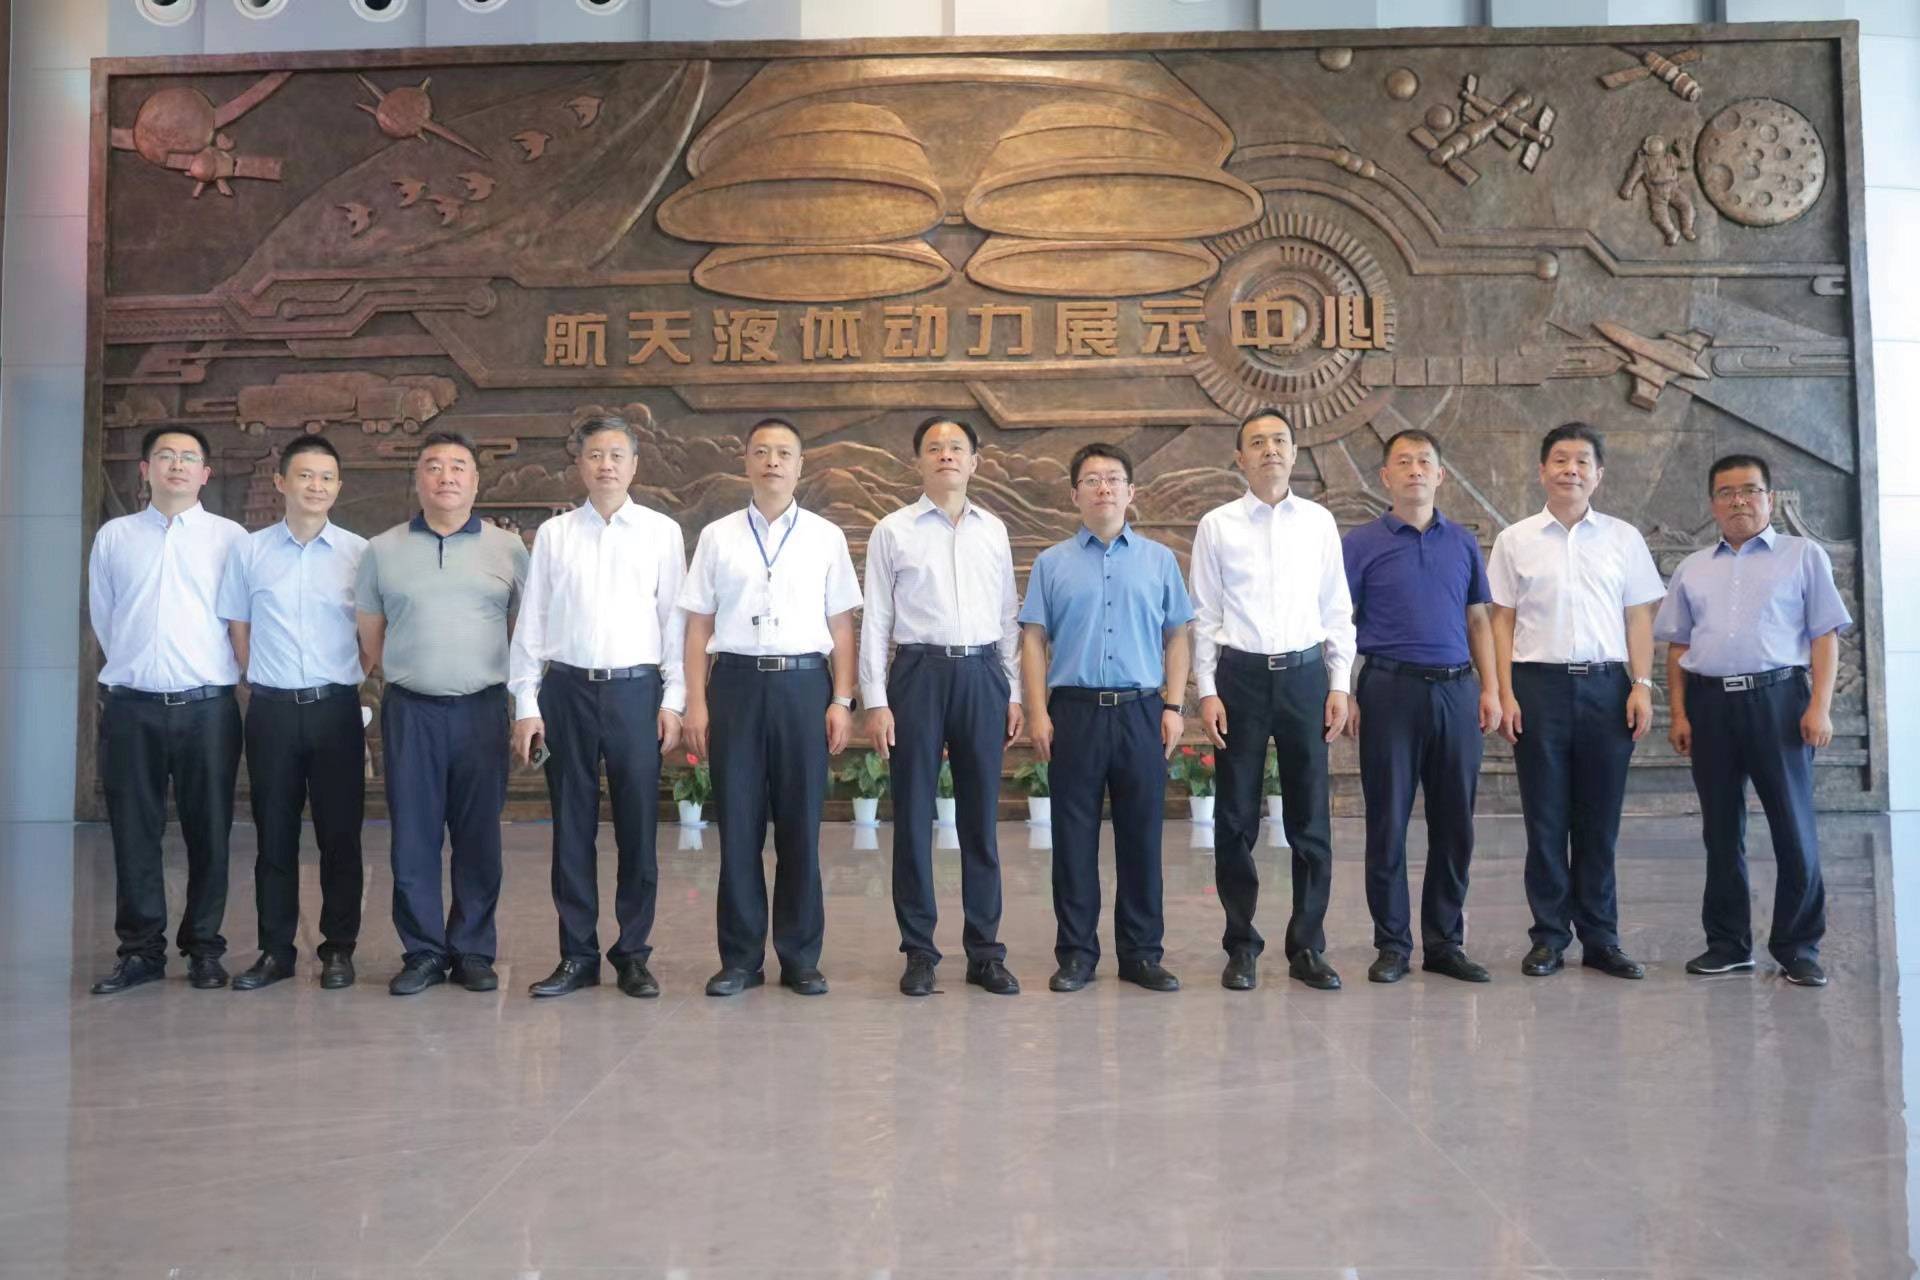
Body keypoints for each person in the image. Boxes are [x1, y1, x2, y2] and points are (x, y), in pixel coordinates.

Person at [679, 418, 860, 997]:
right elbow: (698, 625)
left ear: (801, 465)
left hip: (804, 686)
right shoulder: (718, 536)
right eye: (762, 452)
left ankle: (801, 957)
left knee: (801, 826)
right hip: (734, 684)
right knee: (738, 826)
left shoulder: (825, 537)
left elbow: (842, 625)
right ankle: (740, 960)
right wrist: (695, 704)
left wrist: (842, 699)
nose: (772, 462)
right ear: (747, 462)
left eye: (784, 453)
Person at [509, 413, 686, 999]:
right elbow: (532, 622)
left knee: (638, 828)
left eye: (616, 455)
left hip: (637, 693)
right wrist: (527, 703)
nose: (605, 465)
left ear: (634, 465)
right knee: (571, 829)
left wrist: (675, 699)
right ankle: (577, 955)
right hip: (566, 693)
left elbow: (675, 622)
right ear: (580, 465)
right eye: (594, 455)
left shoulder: (662, 532)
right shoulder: (555, 535)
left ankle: (633, 954)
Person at [1657, 454, 1850, 987]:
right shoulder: (1693, 567)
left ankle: (1798, 947)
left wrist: (1820, 706)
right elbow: (1678, 646)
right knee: (1720, 831)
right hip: (1710, 706)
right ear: (1712, 503)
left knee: (1794, 828)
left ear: (1769, 497)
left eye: (1750, 490)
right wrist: (1679, 712)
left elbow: (1824, 635)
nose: (1738, 500)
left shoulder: (1802, 555)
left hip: (1780, 702)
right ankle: (1727, 944)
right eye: (1726, 492)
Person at [1488, 422, 1665, 980]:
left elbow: (1639, 617)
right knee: (1545, 820)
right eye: (1560, 460)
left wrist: (1642, 684)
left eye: (1582, 461)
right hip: (1536, 687)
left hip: (1607, 689)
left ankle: (1601, 938)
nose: (1571, 469)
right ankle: (1547, 938)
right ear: (1542, 470)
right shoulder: (1515, 540)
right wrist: (1505, 691)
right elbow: (1501, 620)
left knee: (1598, 821)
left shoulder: (1623, 539)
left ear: (1598, 474)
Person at [356, 431, 529, 995]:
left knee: (479, 837)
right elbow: (372, 637)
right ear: (418, 479)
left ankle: (474, 950)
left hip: (482, 710)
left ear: (476, 481)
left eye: (459, 466)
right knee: (413, 836)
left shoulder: (508, 549)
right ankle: (424, 952)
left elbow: (523, 631)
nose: (446, 476)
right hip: (412, 712)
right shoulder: (382, 550)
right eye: (434, 466)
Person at [1020, 442, 1193, 994]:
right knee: (1073, 839)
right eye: (1091, 480)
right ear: (1075, 494)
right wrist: (1037, 712)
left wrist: (1173, 705)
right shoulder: (1051, 563)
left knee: (1142, 838)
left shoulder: (1159, 560)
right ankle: (1076, 954)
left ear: (1130, 491)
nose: (1103, 488)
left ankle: (1141, 954)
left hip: (1141, 710)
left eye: (1113, 479)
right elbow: (1033, 640)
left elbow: (1178, 635)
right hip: (1074, 713)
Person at [1191, 410, 1355, 992]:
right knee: (1235, 818)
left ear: (1294, 452)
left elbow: (1337, 608)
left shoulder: (1318, 522)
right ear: (1240, 458)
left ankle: (1307, 946)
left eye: (1279, 440)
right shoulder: (1216, 525)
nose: (1270, 450)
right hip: (1240, 678)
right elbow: (1204, 614)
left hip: (1305, 677)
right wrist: (1206, 690)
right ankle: (1241, 945)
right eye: (1257, 442)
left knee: (1310, 819)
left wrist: (1339, 683)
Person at [861, 415, 1023, 997]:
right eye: (935, 447)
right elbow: (876, 619)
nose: (946, 455)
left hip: (982, 673)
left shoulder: (994, 530)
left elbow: (1008, 615)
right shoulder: (893, 530)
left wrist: (1013, 691)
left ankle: (985, 952)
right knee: (912, 816)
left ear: (975, 461)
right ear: (919, 461)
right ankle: (919, 952)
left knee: (981, 819)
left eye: (957, 447)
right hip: (918, 675)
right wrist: (875, 700)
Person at [87, 426, 249, 994]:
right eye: (165, 456)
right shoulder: (115, 537)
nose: (177, 465)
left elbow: (239, 621)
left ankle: (204, 948)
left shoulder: (230, 539)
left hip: (208, 709)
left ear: (205, 473)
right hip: (133, 708)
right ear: (145, 469)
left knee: (210, 831)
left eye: (189, 458)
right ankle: (140, 952)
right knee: (134, 832)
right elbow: (107, 619)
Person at [1342, 429, 1502, 986]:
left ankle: (1444, 942)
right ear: (1385, 477)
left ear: (1440, 475)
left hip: (1457, 691)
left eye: (1425, 462)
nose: (1415, 470)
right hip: (1389, 690)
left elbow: (1478, 619)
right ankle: (1392, 944)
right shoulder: (1360, 543)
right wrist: (1345, 689)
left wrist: (1491, 689)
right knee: (1387, 821)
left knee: (1455, 822)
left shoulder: (1461, 542)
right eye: (1403, 462)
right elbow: (1339, 622)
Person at [217, 435, 369, 991]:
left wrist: (347, 679)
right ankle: (275, 951)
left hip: (335, 710)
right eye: (305, 475)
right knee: (274, 836)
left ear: (338, 487)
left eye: (326, 477)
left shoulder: (359, 553)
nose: (316, 486)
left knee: (340, 836)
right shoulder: (250, 551)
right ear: (281, 482)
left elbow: (369, 635)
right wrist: (262, 679)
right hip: (273, 712)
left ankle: (338, 949)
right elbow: (239, 628)